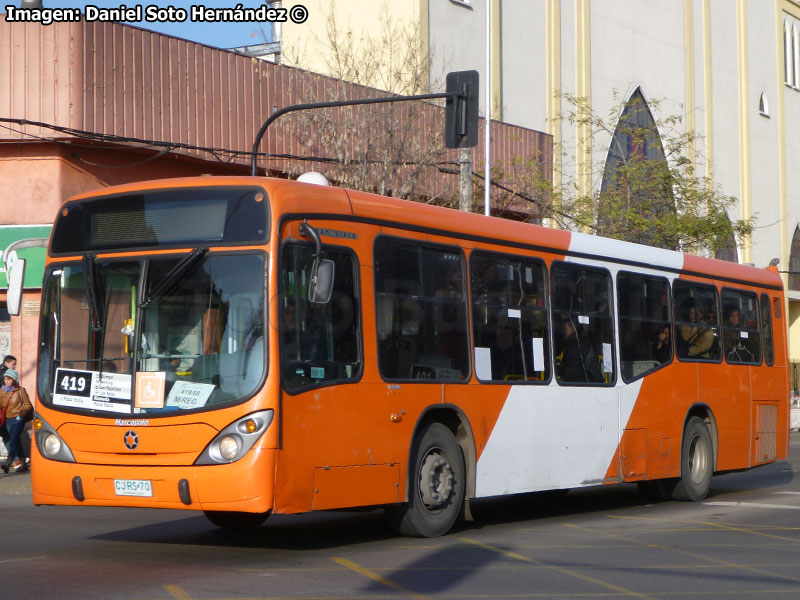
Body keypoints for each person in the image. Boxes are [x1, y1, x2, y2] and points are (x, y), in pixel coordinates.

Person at [0, 369, 32, 473]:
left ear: (13, 380)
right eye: (5, 379)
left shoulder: (20, 390)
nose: (6, 381)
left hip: (18, 419)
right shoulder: (1, 391)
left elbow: (27, 405)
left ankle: (9, 462)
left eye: (9, 379)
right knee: (15, 441)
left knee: (13, 439)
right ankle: (23, 463)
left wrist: (21, 416)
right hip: (7, 420)